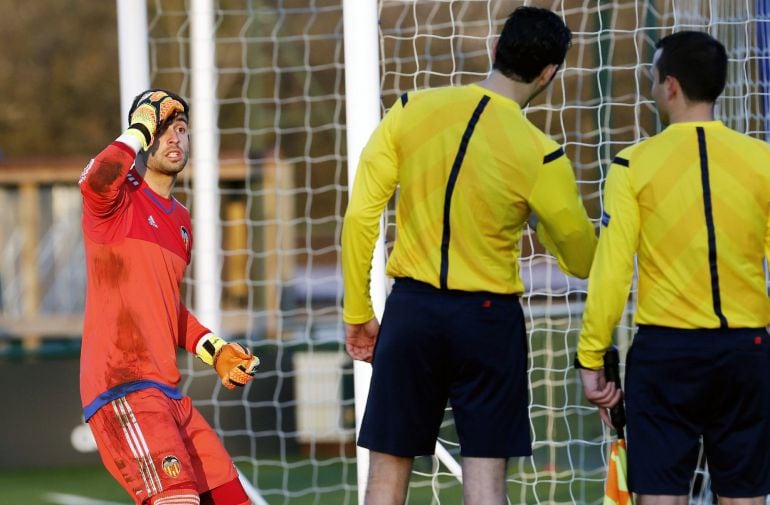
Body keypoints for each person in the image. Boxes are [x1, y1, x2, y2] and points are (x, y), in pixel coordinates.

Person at [341, 7, 597, 505]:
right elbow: (583, 260)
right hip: (486, 321)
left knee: (386, 475)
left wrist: (357, 313)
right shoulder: (541, 154)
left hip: (412, 311)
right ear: (549, 74)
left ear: (495, 49)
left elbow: (360, 219)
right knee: (485, 485)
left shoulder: (412, 107)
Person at [577, 31, 770, 505]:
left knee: (660, 497)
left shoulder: (632, 164)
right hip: (747, 350)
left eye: (654, 75)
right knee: (745, 497)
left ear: (671, 86)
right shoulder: (762, 161)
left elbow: (613, 270)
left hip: (667, 354)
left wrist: (591, 357)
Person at [79, 89, 259, 505]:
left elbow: (166, 308)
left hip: (170, 394)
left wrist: (215, 350)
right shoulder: (116, 197)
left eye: (180, 128)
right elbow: (93, 180)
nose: (174, 138)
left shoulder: (181, 221)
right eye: (161, 129)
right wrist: (141, 125)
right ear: (142, 138)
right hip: (123, 386)